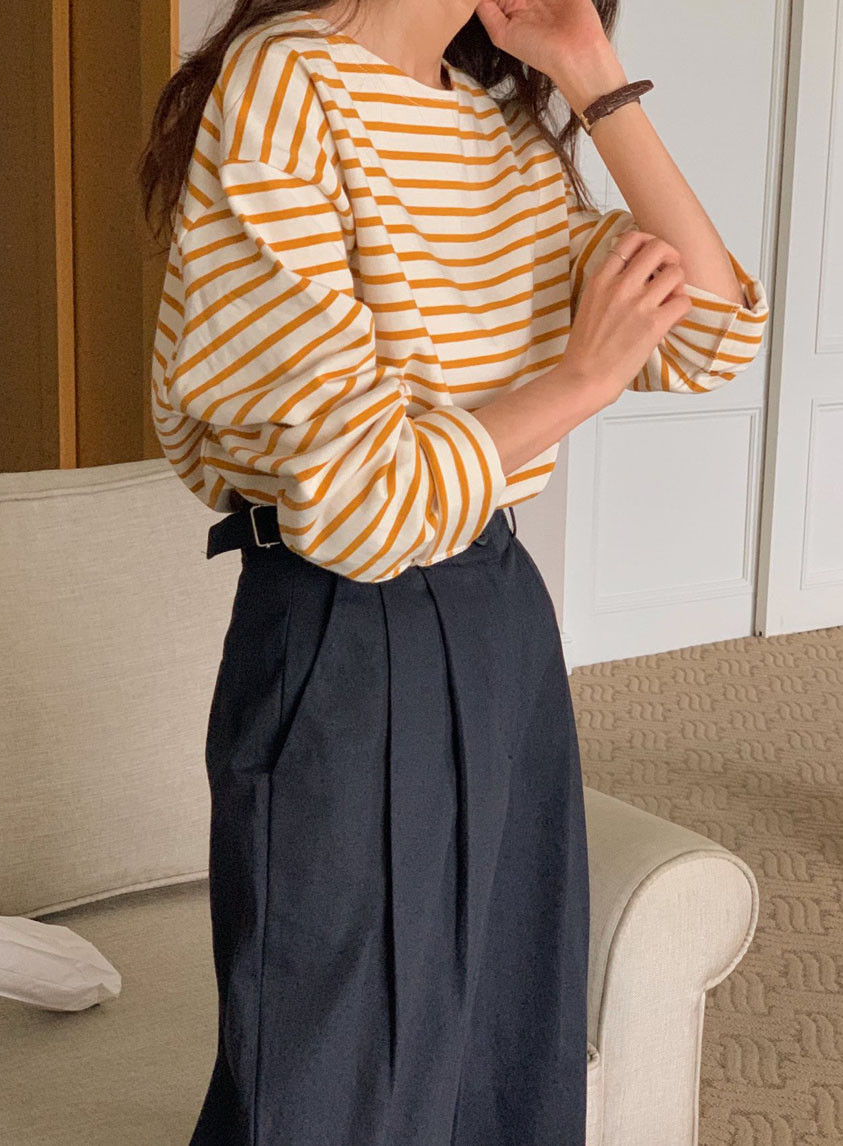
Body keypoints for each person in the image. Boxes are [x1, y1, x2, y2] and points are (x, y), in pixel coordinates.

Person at [138, 1, 769, 1142]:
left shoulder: (494, 124)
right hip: (346, 626)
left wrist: (590, 73)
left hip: (495, 606)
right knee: (339, 1081)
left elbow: (709, 329)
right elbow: (357, 501)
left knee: (505, 1038)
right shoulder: (288, 82)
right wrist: (578, 381)